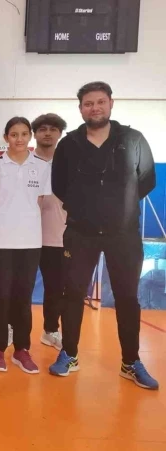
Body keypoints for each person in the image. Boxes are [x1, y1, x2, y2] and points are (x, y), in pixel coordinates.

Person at [49, 81, 159, 390]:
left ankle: (130, 362)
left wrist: (117, 206)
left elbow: (147, 180)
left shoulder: (133, 140)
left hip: (122, 234)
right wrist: (85, 208)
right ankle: (69, 354)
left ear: (111, 103)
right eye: (88, 103)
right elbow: (59, 185)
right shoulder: (69, 144)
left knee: (127, 298)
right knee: (72, 295)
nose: (94, 107)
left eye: (100, 102)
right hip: (80, 233)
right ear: (80, 109)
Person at [0, 117, 50, 374]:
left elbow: (39, 201)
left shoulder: (41, 166)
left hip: (30, 242)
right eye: (14, 134)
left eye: (23, 134)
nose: (19, 139)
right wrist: (3, 225)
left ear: (30, 136)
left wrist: (24, 224)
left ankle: (22, 349)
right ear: (6, 137)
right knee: (1, 296)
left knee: (23, 297)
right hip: (0, 242)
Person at [32, 114, 68, 351]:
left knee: (56, 288)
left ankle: (50, 330)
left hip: (57, 236)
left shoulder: (67, 163)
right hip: (25, 237)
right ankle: (13, 327)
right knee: (18, 286)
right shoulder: (25, 162)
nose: (47, 133)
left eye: (53, 129)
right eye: (42, 129)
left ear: (59, 134)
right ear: (35, 133)